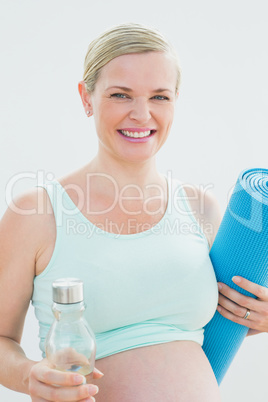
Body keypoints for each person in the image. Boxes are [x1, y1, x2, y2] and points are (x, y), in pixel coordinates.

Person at [0, 22, 268, 402]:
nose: (142, 115)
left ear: (176, 100)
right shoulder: (35, 214)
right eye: (121, 95)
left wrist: (258, 317)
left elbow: (224, 316)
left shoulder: (201, 208)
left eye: (159, 97)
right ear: (86, 97)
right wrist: (30, 374)